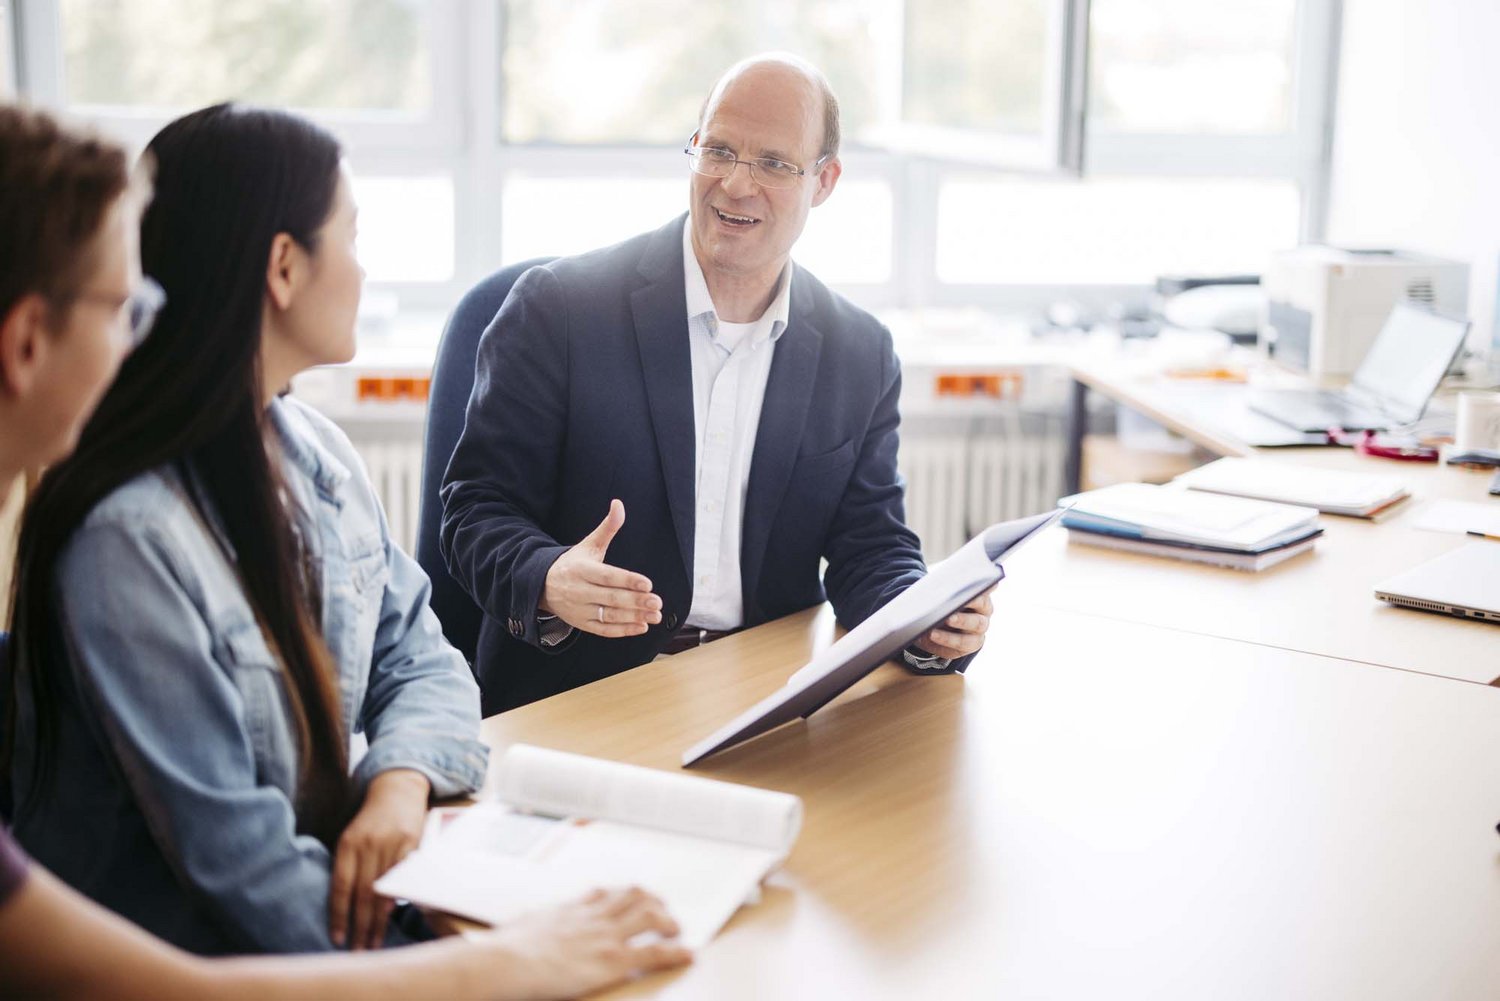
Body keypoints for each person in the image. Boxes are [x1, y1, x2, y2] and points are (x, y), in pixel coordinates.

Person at [0, 102, 688, 997]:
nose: (365, 270)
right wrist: (482, 960)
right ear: (284, 267)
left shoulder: (312, 448)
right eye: (353, 237)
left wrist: (401, 779)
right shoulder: (130, 537)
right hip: (232, 954)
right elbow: (237, 869)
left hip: (326, 924)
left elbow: (427, 658)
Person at [441, 54, 994, 715]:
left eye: (773, 163)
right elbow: (473, 510)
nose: (735, 184)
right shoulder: (559, 309)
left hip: (767, 694)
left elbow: (870, 545)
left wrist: (924, 615)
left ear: (824, 181)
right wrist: (548, 577)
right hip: (584, 693)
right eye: (719, 150)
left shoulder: (860, 352)